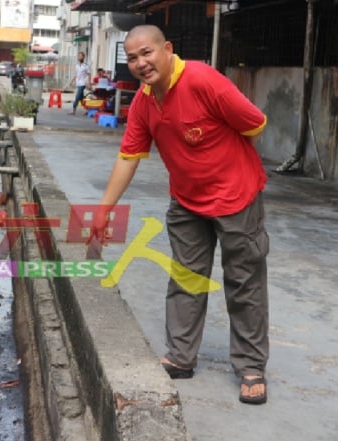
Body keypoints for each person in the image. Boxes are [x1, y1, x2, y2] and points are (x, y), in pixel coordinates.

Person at [88, 25, 270, 405]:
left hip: (237, 199)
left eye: (147, 53)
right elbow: (128, 157)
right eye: (133, 58)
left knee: (243, 282)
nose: (140, 63)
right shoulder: (143, 101)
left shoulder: (204, 81)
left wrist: (225, 164)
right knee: (186, 278)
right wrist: (104, 211)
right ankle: (181, 357)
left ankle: (251, 365)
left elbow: (254, 125)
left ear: (167, 49)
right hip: (187, 202)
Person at [67, 51, 91, 115]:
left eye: (81, 56)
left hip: (83, 83)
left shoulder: (86, 66)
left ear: (83, 57)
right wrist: (71, 81)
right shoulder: (77, 65)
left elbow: (89, 75)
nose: (79, 57)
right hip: (78, 83)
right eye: (79, 56)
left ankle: (73, 110)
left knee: (77, 97)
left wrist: (89, 83)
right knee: (81, 98)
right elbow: (76, 74)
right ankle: (87, 110)